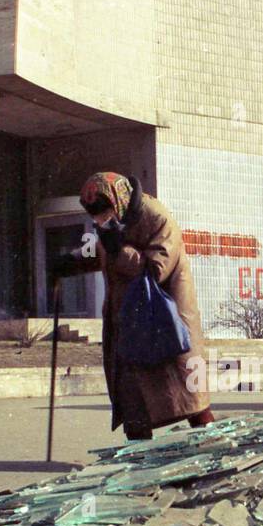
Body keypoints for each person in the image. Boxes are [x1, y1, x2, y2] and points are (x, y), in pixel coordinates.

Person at [67, 171, 212, 439]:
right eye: (93, 214)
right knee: (132, 393)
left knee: (187, 394)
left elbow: (157, 268)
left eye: (102, 211)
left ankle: (209, 444)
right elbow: (102, 254)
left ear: (118, 199)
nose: (98, 219)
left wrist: (117, 248)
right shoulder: (114, 222)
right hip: (130, 319)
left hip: (165, 317)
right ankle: (139, 458)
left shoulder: (156, 216)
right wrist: (71, 261)